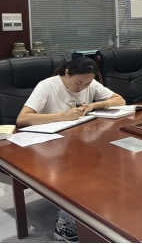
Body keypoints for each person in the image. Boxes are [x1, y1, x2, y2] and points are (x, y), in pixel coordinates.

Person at [16, 57, 125, 243]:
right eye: (78, 83)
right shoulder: (47, 86)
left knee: (105, 167)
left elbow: (120, 100)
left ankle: (97, 216)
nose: (82, 88)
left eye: (87, 84)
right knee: (80, 173)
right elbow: (22, 119)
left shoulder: (89, 83)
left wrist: (93, 105)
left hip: (77, 143)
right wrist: (62, 116)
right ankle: (66, 224)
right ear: (67, 73)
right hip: (48, 146)